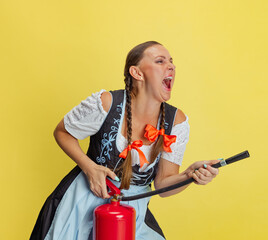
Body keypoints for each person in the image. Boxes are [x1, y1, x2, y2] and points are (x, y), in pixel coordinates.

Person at [30, 41, 219, 240]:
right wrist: (90, 168)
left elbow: (163, 186)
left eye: (171, 61)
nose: (171, 66)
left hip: (131, 215)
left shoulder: (176, 122)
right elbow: (62, 132)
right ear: (137, 73)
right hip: (80, 206)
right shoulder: (106, 103)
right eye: (160, 61)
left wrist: (190, 175)